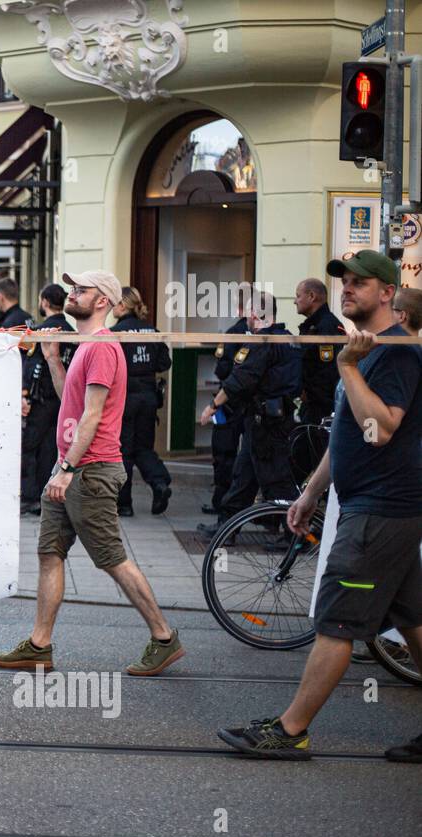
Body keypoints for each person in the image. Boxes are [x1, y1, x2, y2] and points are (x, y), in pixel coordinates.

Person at [219, 250, 422, 762]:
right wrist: (311, 492)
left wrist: (350, 367)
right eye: (344, 283)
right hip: (376, 506)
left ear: (387, 292)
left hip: (380, 511)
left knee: (336, 621)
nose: (348, 290)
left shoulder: (394, 352)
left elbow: (381, 428)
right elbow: (348, 433)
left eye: (360, 283)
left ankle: (291, 730)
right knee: (414, 618)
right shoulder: (369, 349)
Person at [0, 270, 182, 676]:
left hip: (90, 470)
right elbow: (70, 404)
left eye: (80, 290)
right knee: (50, 554)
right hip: (74, 468)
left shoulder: (102, 348)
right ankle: (40, 645)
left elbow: (93, 417)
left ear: (102, 302)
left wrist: (65, 469)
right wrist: (54, 360)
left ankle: (164, 637)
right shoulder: (83, 347)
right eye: (72, 289)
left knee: (111, 559)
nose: (71, 294)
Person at [197, 291, 302, 533]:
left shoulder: (263, 342)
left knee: (277, 479)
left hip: (268, 423)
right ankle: (227, 527)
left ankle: (294, 534)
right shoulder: (289, 339)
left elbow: (240, 380)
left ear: (254, 313)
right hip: (268, 419)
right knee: (243, 476)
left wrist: (213, 406)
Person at [111, 286, 172, 517]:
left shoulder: (115, 333)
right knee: (144, 448)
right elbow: (164, 363)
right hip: (148, 397)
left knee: (123, 451)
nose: (111, 307)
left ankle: (124, 504)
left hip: (124, 397)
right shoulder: (152, 331)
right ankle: (160, 484)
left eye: (114, 303)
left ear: (123, 305)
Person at [19, 283, 75, 516]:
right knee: (52, 449)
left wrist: (24, 395)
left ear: (44, 302)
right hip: (64, 400)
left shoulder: (40, 332)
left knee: (31, 448)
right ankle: (47, 495)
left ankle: (32, 497)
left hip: (40, 401)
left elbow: (30, 367)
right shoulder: (73, 331)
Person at [203, 309, 249, 515]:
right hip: (252, 405)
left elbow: (222, 370)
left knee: (223, 453)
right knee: (252, 457)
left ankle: (222, 503)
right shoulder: (265, 336)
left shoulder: (233, 333)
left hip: (229, 402)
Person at [293, 278, 344, 424]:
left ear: (311, 296)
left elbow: (327, 371)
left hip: (321, 408)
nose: (295, 301)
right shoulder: (312, 326)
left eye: (298, 296)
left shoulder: (327, 327)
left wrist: (308, 393)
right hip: (311, 404)